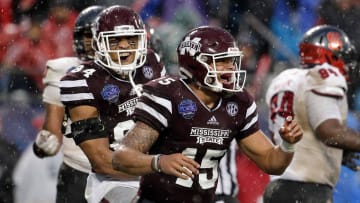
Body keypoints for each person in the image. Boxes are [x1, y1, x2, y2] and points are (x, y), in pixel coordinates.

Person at [112, 25, 303, 203]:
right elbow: (122, 157)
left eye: (231, 60)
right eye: (221, 61)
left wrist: (287, 145)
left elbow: (272, 163)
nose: (230, 67)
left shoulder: (238, 102)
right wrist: (159, 162)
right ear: (195, 64)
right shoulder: (169, 96)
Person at [59, 5, 166, 203]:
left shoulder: (151, 62)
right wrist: (159, 170)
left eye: (131, 39)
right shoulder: (81, 82)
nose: (125, 46)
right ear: (99, 44)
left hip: (156, 171)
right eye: (115, 41)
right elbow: (101, 161)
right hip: (114, 181)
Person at [263, 24, 360, 202]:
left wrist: (336, 152)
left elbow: (298, 129)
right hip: (308, 191)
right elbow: (328, 132)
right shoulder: (324, 75)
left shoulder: (284, 79)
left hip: (277, 188)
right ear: (331, 55)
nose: (346, 67)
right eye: (343, 59)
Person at [32, 5, 105, 203]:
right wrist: (44, 144)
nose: (89, 42)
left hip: (124, 172)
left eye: (95, 35)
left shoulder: (135, 72)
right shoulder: (63, 70)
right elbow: (52, 135)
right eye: (85, 35)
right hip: (79, 170)